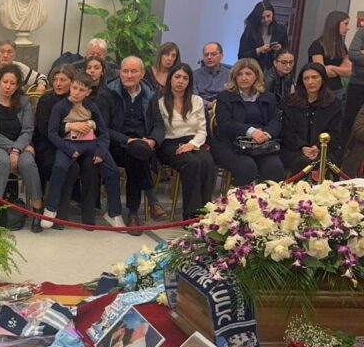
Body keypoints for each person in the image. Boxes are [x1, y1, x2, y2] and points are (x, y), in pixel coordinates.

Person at [41, 72, 126, 230]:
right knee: (59, 168)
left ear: (88, 92)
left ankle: (114, 212)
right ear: (70, 87)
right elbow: (52, 133)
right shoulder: (60, 107)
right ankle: (50, 208)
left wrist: (101, 151)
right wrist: (68, 149)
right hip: (69, 144)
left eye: (81, 90)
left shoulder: (91, 106)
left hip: (91, 143)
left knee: (113, 171)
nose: (76, 92)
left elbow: (103, 132)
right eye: (74, 88)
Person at [100, 56, 166, 232]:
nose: (129, 75)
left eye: (134, 71)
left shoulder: (150, 94)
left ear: (142, 74)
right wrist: (127, 140)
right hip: (116, 146)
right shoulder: (108, 93)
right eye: (125, 71)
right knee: (138, 153)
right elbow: (103, 128)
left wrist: (152, 140)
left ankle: (134, 214)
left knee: (137, 156)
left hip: (143, 147)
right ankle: (144, 206)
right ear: (120, 72)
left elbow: (159, 125)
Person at [0, 64, 44, 231]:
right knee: (3, 161)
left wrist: (17, 149)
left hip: (21, 146)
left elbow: (27, 130)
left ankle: (37, 210)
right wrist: (13, 148)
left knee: (28, 163)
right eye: (5, 82)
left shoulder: (24, 102)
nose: (8, 86)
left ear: (17, 86)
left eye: (12, 83)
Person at [209, 58, 284, 186]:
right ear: (234, 77)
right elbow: (225, 123)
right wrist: (251, 132)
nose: (244, 78)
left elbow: (275, 121)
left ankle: (267, 198)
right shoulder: (224, 97)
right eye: (239, 74)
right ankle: (240, 198)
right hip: (231, 144)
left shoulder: (268, 97)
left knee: (274, 167)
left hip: (261, 144)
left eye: (248, 74)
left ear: (256, 76)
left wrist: (266, 134)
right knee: (247, 167)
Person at [156, 63, 216, 219]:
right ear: (170, 79)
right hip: (169, 143)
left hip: (193, 141)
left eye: (185, 78)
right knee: (192, 163)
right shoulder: (161, 103)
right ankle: (191, 214)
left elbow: (202, 130)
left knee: (207, 162)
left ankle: (206, 211)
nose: (180, 81)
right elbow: (161, 130)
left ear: (189, 82)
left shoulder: (196, 101)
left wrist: (192, 144)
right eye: (177, 77)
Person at [34, 65, 90, 224]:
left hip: (76, 144)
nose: (58, 83)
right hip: (48, 146)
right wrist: (68, 127)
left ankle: (86, 212)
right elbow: (44, 129)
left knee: (89, 164)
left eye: (63, 80)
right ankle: (58, 213)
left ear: (72, 82)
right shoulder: (46, 100)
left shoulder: (79, 99)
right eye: (55, 80)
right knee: (70, 168)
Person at [279, 62, 343, 172]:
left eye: (314, 77)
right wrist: (302, 147)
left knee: (324, 162)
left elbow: (335, 133)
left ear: (323, 79)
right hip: (295, 149)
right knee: (302, 162)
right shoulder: (290, 102)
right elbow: (287, 132)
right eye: (306, 78)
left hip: (325, 149)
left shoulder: (335, 104)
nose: (310, 82)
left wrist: (317, 148)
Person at [308, 10, 351, 103]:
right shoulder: (317, 45)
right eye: (345, 24)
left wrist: (331, 68)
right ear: (335, 24)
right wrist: (340, 70)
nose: (348, 28)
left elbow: (348, 71)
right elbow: (321, 71)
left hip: (339, 90)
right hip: (321, 90)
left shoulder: (342, 46)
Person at [237, 1, 289, 72]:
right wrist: (258, 50)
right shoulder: (250, 30)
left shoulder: (281, 30)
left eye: (268, 16)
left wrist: (280, 49)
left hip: (274, 70)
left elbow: (286, 53)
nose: (266, 20)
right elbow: (241, 55)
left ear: (273, 14)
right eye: (262, 18)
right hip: (254, 69)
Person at [346, 25, 364, 155]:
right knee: (350, 120)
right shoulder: (362, 33)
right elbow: (353, 54)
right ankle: (345, 154)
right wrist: (359, 53)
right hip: (357, 85)